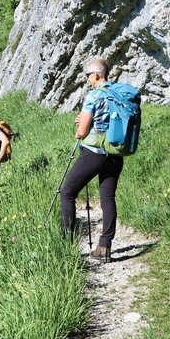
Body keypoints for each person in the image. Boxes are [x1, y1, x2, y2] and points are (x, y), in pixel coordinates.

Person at [59, 57, 124, 260]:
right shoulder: (119, 93)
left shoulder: (94, 95)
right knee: (108, 198)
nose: (87, 79)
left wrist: (80, 124)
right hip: (116, 153)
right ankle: (104, 247)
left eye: (88, 75)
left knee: (67, 192)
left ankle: (65, 244)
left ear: (96, 74)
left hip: (95, 153)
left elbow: (82, 132)